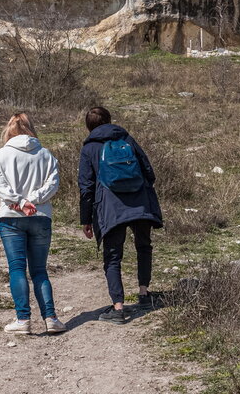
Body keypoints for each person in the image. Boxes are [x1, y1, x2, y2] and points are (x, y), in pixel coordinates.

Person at [78, 106, 164, 324]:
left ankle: (118, 308)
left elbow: (86, 187)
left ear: (89, 126)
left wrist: (86, 219)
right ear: (109, 120)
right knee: (143, 247)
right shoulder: (126, 138)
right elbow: (148, 171)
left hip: (111, 207)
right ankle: (144, 294)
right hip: (140, 203)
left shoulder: (89, 148)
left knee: (113, 256)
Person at [0, 112, 65, 335]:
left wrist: (20, 202)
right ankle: (50, 318)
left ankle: (23, 320)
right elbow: (53, 185)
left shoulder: (1, 155)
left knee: (17, 268)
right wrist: (33, 201)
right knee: (40, 270)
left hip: (10, 217)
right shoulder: (46, 154)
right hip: (40, 216)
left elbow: (0, 187)